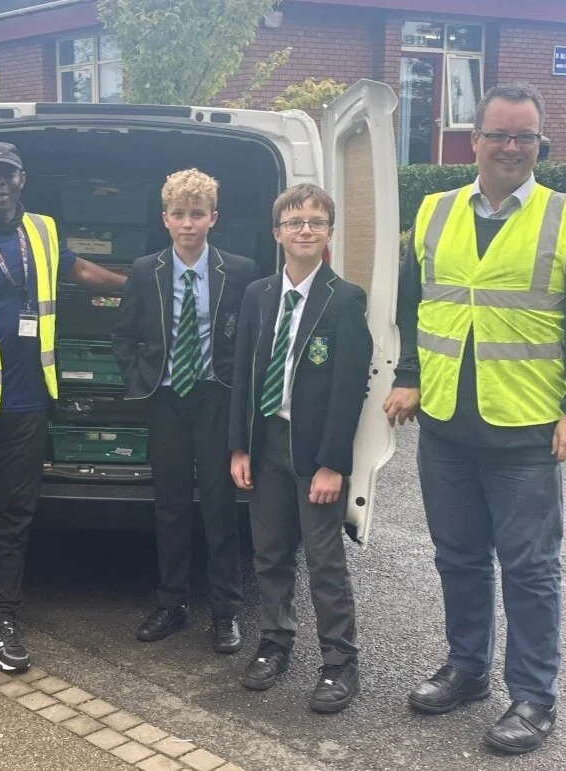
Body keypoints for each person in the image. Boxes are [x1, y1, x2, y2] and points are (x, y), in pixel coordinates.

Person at [384, 83, 566, 754]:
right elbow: (413, 305)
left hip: (527, 426)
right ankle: (466, 668)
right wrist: (410, 377)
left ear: (539, 143)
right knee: (457, 556)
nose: (512, 147)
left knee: (530, 567)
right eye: (500, 134)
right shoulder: (432, 212)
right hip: (449, 425)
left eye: (525, 136)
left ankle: (534, 696)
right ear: (474, 140)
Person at [0, 141, 126, 673]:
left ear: (21, 179)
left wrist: (144, 286)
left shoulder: (42, 230)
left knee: (14, 509)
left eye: (6, 175)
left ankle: (3, 614)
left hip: (30, 399)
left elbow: (81, 272)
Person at [229, 184, 371, 713]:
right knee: (269, 554)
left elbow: (348, 390)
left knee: (324, 558)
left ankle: (339, 662)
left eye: (315, 221)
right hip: (266, 442)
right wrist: (238, 448)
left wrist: (334, 463)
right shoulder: (259, 295)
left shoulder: (345, 299)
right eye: (295, 222)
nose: (305, 229)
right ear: (277, 233)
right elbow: (244, 375)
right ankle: (274, 643)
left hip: (315, 453)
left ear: (329, 232)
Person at [112, 168, 254, 652]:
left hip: (215, 396)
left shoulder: (237, 270)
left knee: (218, 505)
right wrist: (140, 381)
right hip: (167, 397)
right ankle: (172, 603)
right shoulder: (145, 269)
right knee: (170, 503)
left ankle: (225, 612)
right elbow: (124, 334)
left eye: (197, 214)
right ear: (165, 219)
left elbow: (249, 336)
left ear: (213, 217)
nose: (188, 223)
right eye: (179, 215)